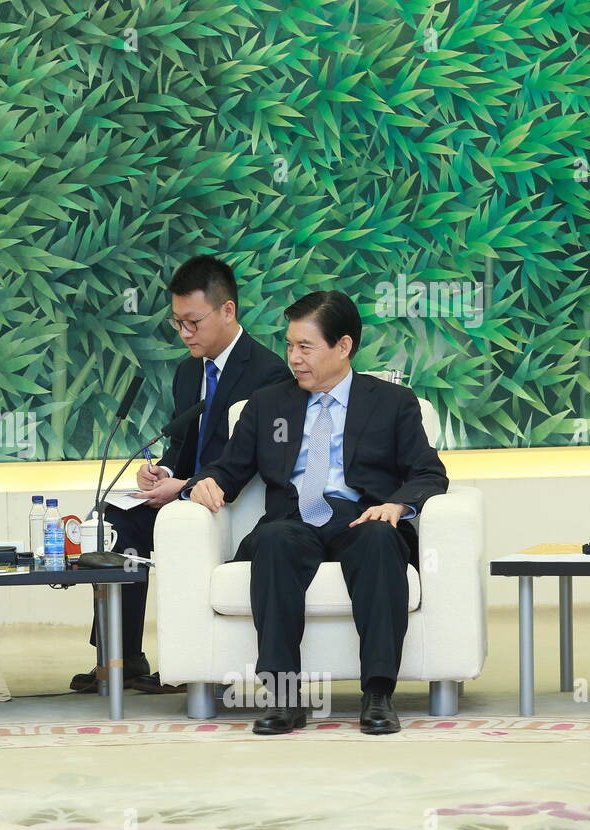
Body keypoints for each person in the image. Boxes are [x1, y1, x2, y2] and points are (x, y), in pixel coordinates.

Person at [184, 291, 449, 735]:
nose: (294, 358)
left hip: (361, 516)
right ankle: (285, 697)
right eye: (289, 346)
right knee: (271, 541)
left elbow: (428, 472)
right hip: (293, 519)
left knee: (382, 539)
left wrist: (396, 505)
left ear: (343, 347)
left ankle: (378, 694)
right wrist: (206, 482)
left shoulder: (393, 403)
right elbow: (228, 469)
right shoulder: (267, 405)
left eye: (305, 347)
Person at [70, 255, 292, 694]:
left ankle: (186, 660)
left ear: (227, 310)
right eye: (177, 324)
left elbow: (251, 460)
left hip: (226, 500)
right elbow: (184, 440)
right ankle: (120, 656)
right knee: (115, 521)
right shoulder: (189, 370)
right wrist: (164, 472)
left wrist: (186, 488)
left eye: (193, 322)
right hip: (183, 491)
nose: (185, 333)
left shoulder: (267, 373)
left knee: (174, 523)